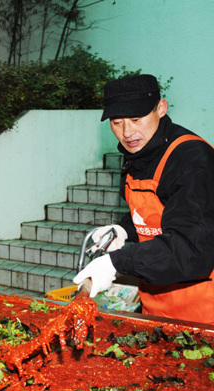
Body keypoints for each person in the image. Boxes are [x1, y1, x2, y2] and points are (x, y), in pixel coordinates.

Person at [73, 74, 214, 325]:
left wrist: (116, 263)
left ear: (161, 108)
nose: (127, 132)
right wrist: (124, 230)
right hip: (156, 306)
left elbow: (190, 248)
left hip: (203, 311)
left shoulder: (193, 160)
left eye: (136, 119)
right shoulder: (138, 154)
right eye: (117, 122)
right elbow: (161, 212)